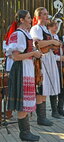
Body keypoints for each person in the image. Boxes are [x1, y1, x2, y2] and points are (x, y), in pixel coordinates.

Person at [4, 10, 42, 141]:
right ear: (21, 20)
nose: (31, 20)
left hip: (27, 68)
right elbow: (15, 57)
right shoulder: (18, 34)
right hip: (21, 69)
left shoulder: (25, 34)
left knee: (26, 101)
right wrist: (33, 54)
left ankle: (26, 132)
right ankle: (24, 133)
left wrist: (35, 53)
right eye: (28, 18)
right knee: (23, 102)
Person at [30, 7, 61, 126]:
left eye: (47, 14)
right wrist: (52, 42)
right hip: (42, 59)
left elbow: (47, 45)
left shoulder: (45, 29)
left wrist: (55, 45)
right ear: (38, 16)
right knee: (41, 87)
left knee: (46, 88)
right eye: (43, 14)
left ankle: (43, 116)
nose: (46, 16)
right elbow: (38, 44)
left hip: (49, 58)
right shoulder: (36, 28)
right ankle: (41, 118)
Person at [47, 20, 64, 118]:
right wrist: (59, 58)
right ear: (49, 27)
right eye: (54, 26)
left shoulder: (59, 38)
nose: (56, 27)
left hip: (62, 65)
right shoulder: (48, 38)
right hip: (53, 65)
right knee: (54, 87)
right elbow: (49, 53)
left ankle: (60, 108)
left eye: (56, 25)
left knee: (63, 86)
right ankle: (54, 111)